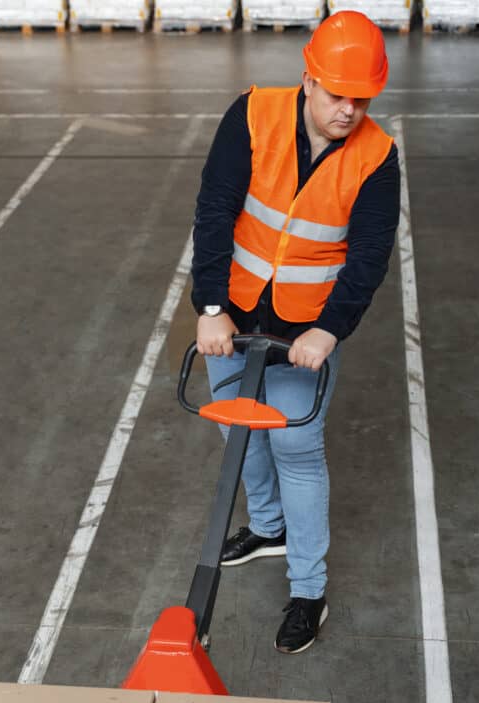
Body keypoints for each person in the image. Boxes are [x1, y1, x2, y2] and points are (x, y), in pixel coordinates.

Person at [191, 11, 400, 655]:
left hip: (305, 333)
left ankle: (309, 590)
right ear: (308, 80)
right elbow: (216, 207)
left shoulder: (377, 157)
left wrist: (329, 331)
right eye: (338, 94)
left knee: (297, 453)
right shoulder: (251, 116)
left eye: (361, 97)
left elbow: (367, 258)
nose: (349, 109)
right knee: (238, 430)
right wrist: (210, 305)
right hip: (237, 312)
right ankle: (269, 527)